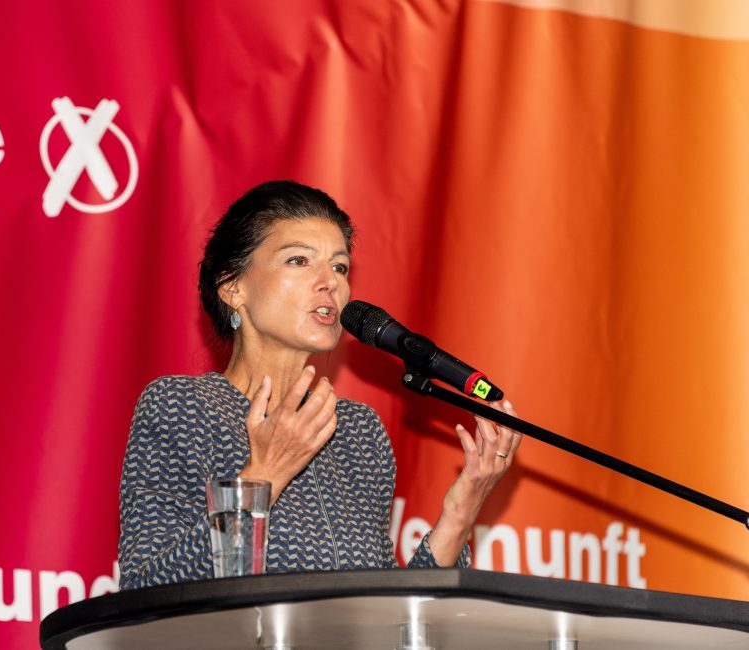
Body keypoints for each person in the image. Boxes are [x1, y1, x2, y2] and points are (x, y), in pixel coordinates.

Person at [118, 180, 522, 590]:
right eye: (299, 260)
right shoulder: (183, 406)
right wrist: (266, 474)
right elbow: (146, 586)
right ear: (232, 287)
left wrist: (462, 510)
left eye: (340, 266)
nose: (330, 282)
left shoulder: (358, 432)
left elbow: (386, 613)